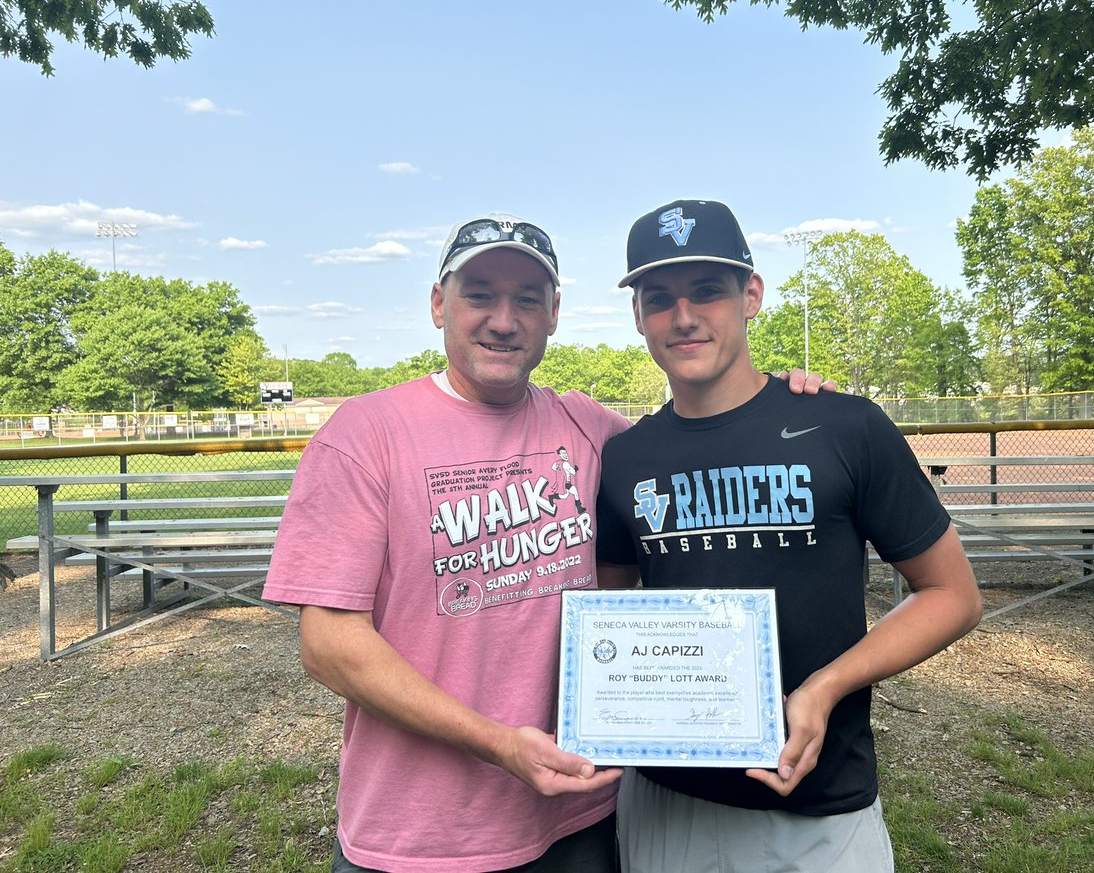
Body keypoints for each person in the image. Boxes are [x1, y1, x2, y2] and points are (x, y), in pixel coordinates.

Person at [262, 212, 832, 872]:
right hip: (414, 837)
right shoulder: (366, 433)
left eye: (527, 299)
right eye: (480, 294)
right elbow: (329, 644)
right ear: (439, 303)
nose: (504, 319)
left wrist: (784, 403)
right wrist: (498, 744)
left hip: (574, 817)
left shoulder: (586, 425)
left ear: (554, 313)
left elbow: (695, 440)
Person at [595, 199, 983, 873]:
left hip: (818, 807)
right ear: (638, 317)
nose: (683, 317)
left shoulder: (844, 426)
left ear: (751, 295)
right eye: (659, 299)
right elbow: (608, 611)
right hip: (667, 798)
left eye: (708, 291)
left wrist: (824, 688)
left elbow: (952, 595)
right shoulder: (627, 457)